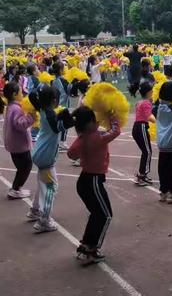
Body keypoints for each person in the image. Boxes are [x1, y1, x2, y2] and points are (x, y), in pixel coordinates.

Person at [67, 107, 120, 265]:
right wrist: (113, 116)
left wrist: (82, 139)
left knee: (97, 214)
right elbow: (115, 131)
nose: (97, 122)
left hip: (84, 181)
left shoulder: (83, 137)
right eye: (94, 120)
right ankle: (92, 249)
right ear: (89, 123)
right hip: (93, 181)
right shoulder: (97, 136)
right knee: (105, 215)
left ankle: (85, 246)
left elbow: (71, 154)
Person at [29, 85, 72, 233]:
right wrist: (67, 114)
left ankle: (34, 210)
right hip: (45, 157)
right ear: (54, 100)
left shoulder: (42, 108)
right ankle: (44, 221)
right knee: (51, 187)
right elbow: (63, 125)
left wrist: (41, 89)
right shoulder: (50, 115)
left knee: (43, 182)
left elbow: (31, 95)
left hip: (39, 153)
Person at [1, 82, 36, 199]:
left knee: (22, 168)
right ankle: (15, 189)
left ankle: (16, 188)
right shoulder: (16, 108)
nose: (23, 94)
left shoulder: (11, 106)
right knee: (25, 167)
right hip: (19, 146)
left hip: (14, 144)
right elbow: (19, 125)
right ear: (15, 94)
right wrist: (31, 116)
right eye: (21, 92)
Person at [132, 81, 155, 186]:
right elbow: (149, 117)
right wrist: (155, 119)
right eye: (152, 90)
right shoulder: (146, 103)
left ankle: (142, 174)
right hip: (141, 127)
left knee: (146, 152)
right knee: (148, 152)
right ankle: (142, 176)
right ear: (149, 92)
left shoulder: (140, 102)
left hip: (136, 127)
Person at [51, 61, 70, 151]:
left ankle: (58, 142)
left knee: (58, 124)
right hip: (63, 105)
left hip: (55, 105)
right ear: (61, 70)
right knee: (64, 124)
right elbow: (68, 92)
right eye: (64, 67)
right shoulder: (63, 81)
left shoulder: (53, 81)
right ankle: (62, 142)